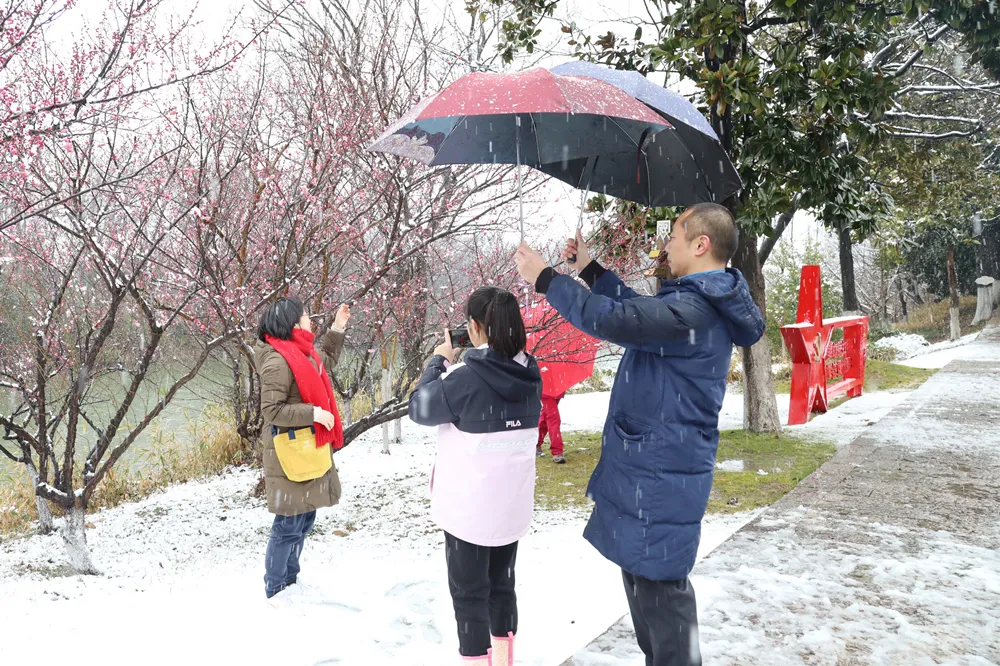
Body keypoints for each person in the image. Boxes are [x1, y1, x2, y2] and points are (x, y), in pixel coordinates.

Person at [514, 203, 766, 666]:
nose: (666, 243)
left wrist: (547, 279)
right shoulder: (693, 302)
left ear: (701, 244)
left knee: (662, 606)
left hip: (661, 475)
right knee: (647, 592)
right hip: (656, 470)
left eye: (674, 234)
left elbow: (618, 320)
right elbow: (637, 309)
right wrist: (591, 270)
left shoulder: (694, 308)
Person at [408, 286, 543, 666]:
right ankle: (502, 660)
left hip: (467, 511)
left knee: (469, 595)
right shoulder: (530, 375)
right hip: (510, 508)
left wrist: (437, 363)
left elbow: (419, 408)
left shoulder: (464, 380)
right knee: (502, 587)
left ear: (475, 328)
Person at [255, 296, 351, 602]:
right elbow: (272, 410)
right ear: (293, 323)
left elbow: (323, 359)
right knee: (288, 523)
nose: (311, 320)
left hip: (305, 449)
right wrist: (313, 414)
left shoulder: (299, 351)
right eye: (306, 316)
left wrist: (337, 328)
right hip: (288, 452)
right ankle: (276, 588)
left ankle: (291, 581)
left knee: (304, 518)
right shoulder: (276, 359)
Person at [536, 390, 566, 464]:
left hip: (557, 388)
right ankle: (557, 452)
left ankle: (536, 443)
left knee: (546, 416)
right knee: (554, 419)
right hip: (546, 389)